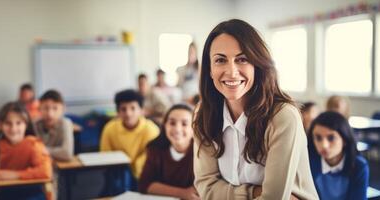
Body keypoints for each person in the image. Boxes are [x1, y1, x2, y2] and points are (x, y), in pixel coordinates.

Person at [192, 19, 319, 199]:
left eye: (242, 59)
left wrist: (227, 193)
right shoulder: (203, 113)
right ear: (210, 69)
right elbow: (206, 188)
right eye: (220, 60)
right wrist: (252, 192)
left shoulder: (283, 117)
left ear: (257, 65)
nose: (232, 71)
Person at [0, 102, 52, 200]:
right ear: (0, 125)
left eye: (18, 123)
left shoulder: (33, 144)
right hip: (8, 191)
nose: (13, 128)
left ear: (26, 124)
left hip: (31, 194)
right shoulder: (1, 144)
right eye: (8, 123)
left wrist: (15, 175)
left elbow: (46, 171)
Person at [139, 104, 197, 199]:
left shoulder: (203, 153)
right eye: (172, 123)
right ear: (164, 125)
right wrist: (183, 193)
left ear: (194, 129)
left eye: (184, 124)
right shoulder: (155, 149)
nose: (177, 129)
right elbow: (144, 185)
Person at [308, 111, 369, 200]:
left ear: (344, 140)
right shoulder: (309, 162)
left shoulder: (359, 166)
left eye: (331, 138)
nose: (324, 145)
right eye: (318, 137)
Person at [100, 89, 159, 180]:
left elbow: (152, 156)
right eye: (123, 109)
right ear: (118, 112)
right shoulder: (109, 128)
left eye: (133, 108)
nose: (128, 114)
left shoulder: (151, 129)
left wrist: (132, 169)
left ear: (141, 110)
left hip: (144, 175)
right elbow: (106, 156)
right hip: (118, 175)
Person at [35, 90, 74, 161]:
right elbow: (32, 152)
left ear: (63, 109)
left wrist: (43, 150)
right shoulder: (35, 125)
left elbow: (67, 153)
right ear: (39, 108)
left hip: (59, 168)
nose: (50, 114)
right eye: (46, 108)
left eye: (55, 108)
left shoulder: (66, 123)